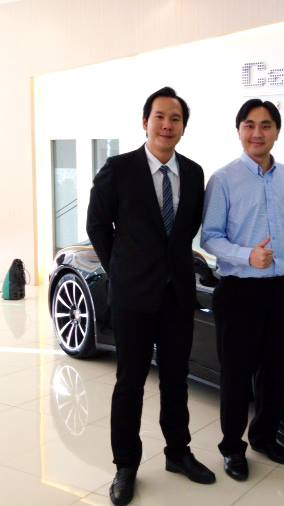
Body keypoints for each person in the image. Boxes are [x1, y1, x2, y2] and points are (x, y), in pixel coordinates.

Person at [87, 86, 215, 506]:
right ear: (145, 122)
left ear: (183, 127)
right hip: (133, 295)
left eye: (175, 119)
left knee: (176, 379)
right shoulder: (119, 169)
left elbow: (185, 231)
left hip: (177, 294)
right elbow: (97, 225)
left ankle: (178, 452)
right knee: (130, 382)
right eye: (160, 116)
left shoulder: (193, 173)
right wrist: (121, 269)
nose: (167, 125)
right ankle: (126, 465)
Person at [201, 98, 284, 481]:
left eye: (265, 125)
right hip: (239, 292)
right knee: (237, 376)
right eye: (249, 125)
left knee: (275, 372)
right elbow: (210, 237)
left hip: (280, 290)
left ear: (277, 132)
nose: (257, 133)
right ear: (239, 130)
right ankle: (232, 448)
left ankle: (265, 437)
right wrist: (248, 256)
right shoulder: (224, 179)